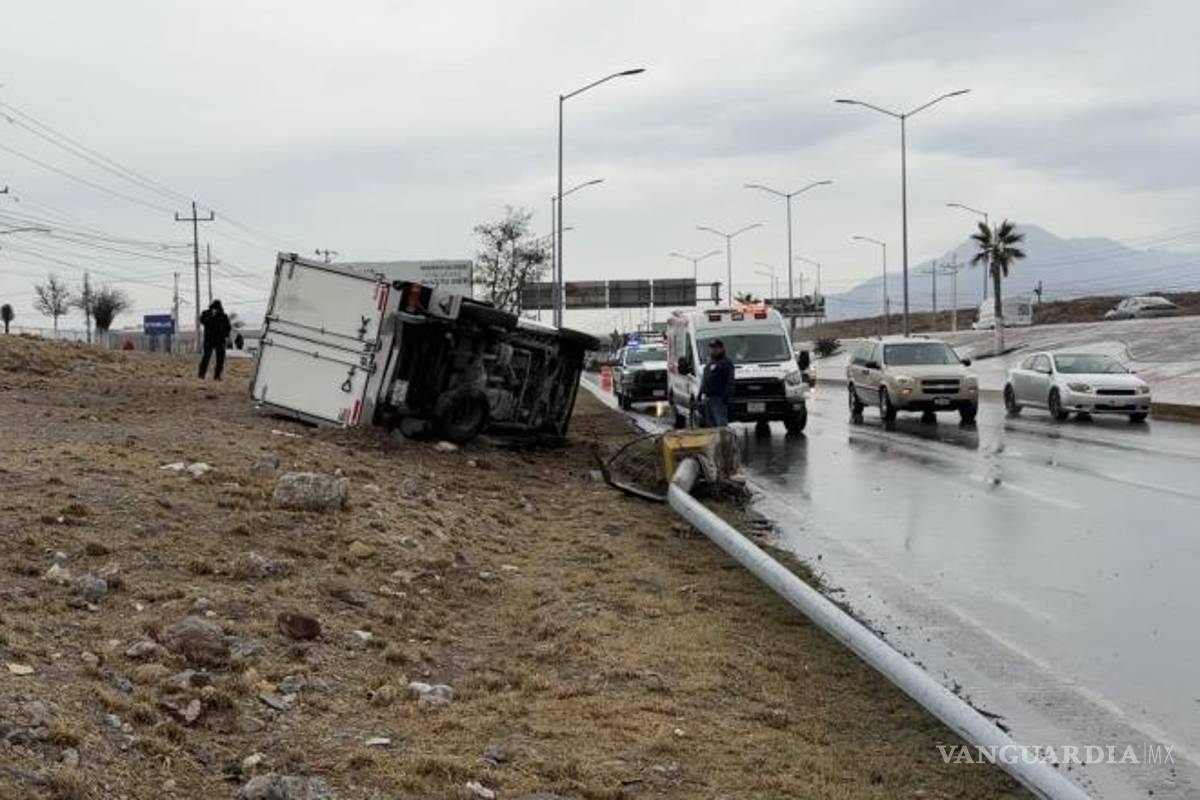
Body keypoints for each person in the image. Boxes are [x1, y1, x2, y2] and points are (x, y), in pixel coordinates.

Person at [700, 338, 735, 427]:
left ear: (721, 349)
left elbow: (730, 381)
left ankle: (723, 440)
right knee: (710, 423)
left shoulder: (726, 363)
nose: (713, 350)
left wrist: (727, 396)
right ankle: (713, 440)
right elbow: (705, 378)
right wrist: (700, 393)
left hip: (719, 397)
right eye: (712, 348)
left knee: (720, 421)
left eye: (716, 348)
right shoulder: (711, 362)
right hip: (709, 397)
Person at [198, 299, 232, 380]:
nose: (214, 310)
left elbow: (228, 327)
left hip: (220, 339)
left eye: (216, 309)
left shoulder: (223, 316)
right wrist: (210, 316)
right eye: (213, 308)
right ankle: (201, 374)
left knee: (220, 359)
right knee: (206, 357)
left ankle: (217, 376)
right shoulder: (206, 313)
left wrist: (226, 335)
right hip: (209, 339)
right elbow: (202, 320)